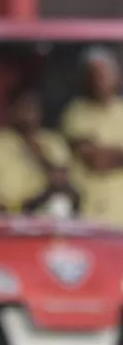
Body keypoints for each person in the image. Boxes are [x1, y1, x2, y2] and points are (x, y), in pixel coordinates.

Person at [0, 89, 79, 217]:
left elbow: (66, 188)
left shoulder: (53, 142)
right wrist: (16, 208)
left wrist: (40, 155)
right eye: (24, 108)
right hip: (4, 218)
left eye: (33, 109)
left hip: (45, 218)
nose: (28, 114)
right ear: (11, 110)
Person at [60, 47, 123, 228]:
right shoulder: (76, 112)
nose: (99, 81)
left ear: (117, 76)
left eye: (104, 74)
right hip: (87, 213)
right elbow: (97, 160)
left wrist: (108, 152)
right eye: (93, 75)